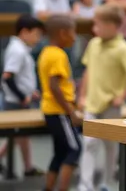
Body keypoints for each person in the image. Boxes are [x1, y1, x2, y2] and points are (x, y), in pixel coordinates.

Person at [77, 4, 126, 191]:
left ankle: (107, 182)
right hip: (92, 103)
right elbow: (88, 71)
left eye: (97, 25)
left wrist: (122, 96)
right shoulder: (93, 44)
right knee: (89, 143)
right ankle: (85, 184)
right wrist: (82, 96)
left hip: (110, 105)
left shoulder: (123, 48)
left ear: (112, 25)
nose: (94, 29)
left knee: (110, 146)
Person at [38, 14, 82, 191]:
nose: (75, 36)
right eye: (73, 32)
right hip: (59, 111)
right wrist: (70, 111)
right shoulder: (58, 55)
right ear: (63, 33)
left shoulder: (46, 52)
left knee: (61, 152)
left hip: (51, 110)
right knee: (75, 149)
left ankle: (48, 188)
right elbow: (54, 86)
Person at [0, 15, 45, 178]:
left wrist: (30, 91)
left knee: (21, 136)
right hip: (15, 101)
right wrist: (22, 96)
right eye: (36, 34)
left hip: (19, 98)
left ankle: (28, 167)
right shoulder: (17, 50)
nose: (38, 39)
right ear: (25, 32)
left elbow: (20, 76)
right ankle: (27, 168)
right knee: (19, 136)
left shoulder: (22, 49)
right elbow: (8, 77)